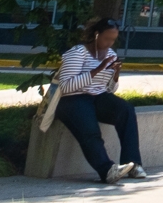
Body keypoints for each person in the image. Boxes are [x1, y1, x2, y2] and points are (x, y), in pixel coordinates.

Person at [55, 17, 147, 183]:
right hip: (72, 99)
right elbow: (66, 86)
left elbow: (110, 89)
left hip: (98, 96)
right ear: (96, 35)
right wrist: (98, 69)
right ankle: (107, 171)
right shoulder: (78, 53)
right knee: (90, 131)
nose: (110, 43)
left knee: (126, 110)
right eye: (107, 38)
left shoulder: (111, 55)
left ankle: (133, 164)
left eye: (113, 39)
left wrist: (116, 74)